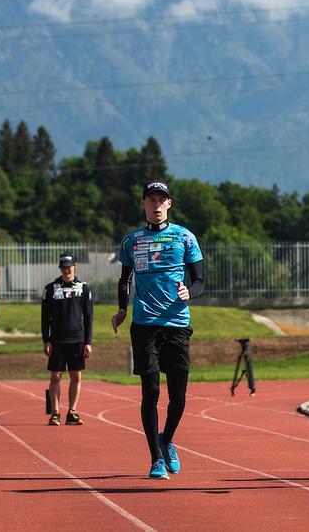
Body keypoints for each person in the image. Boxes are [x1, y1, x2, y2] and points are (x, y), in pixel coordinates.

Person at [112, 180, 204, 480]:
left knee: (178, 397)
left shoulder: (185, 237)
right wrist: (123, 309)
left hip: (176, 324)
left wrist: (190, 291)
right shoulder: (131, 241)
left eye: (161, 199)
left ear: (169, 204)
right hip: (145, 325)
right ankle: (155, 459)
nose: (156, 204)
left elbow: (200, 280)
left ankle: (167, 440)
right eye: (150, 199)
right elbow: (125, 278)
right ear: (143, 204)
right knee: (150, 390)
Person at [41, 252, 94, 426]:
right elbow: (45, 317)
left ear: (75, 267)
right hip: (57, 340)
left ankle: (72, 411)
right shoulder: (50, 288)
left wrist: (88, 342)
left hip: (77, 339)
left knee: (75, 376)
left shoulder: (83, 288)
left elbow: (88, 317)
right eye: (63, 267)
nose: (66, 270)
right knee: (56, 376)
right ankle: (55, 412)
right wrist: (46, 340)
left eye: (69, 267)